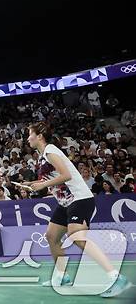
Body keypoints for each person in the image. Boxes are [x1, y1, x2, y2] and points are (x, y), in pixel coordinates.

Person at [23, 122, 130, 297]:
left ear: (39, 136)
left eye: (30, 134)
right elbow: (54, 178)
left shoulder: (50, 151)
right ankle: (62, 275)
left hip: (80, 198)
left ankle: (116, 277)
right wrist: (32, 184)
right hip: (65, 202)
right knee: (52, 236)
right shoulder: (42, 155)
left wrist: (42, 184)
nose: (28, 138)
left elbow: (67, 175)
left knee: (77, 237)